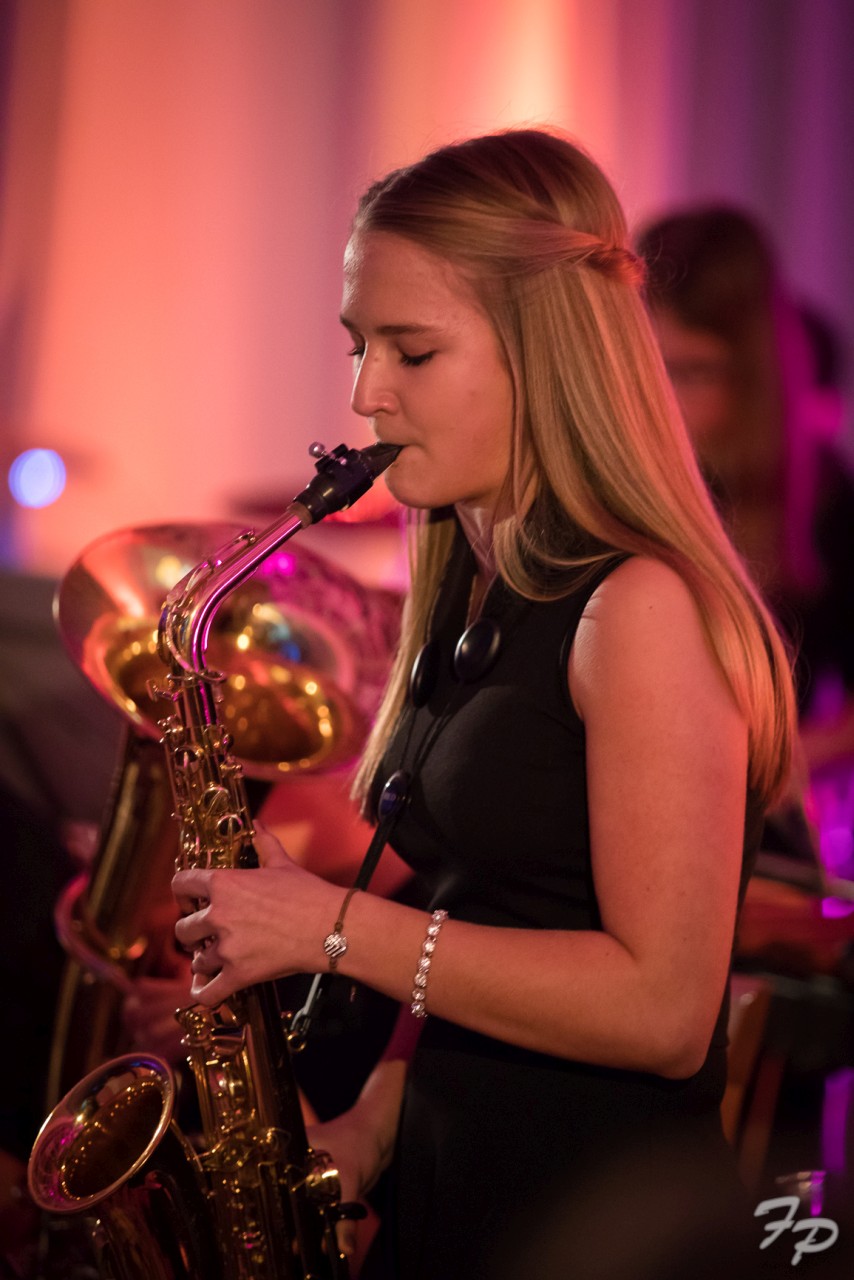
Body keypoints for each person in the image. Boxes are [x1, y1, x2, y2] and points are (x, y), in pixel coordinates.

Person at [172, 129, 796, 1278]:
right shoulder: (473, 585)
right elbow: (496, 912)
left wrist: (328, 927)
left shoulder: (637, 607)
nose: (364, 393)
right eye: (359, 345)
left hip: (597, 1231)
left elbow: (662, 1012)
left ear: (541, 354)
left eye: (412, 350)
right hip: (463, 1197)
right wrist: (379, 1116)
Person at [637, 208, 854, 785]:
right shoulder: (622, 481)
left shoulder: (828, 503)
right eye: (648, 368)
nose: (662, 400)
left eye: (692, 372)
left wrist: (768, 766)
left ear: (753, 375)